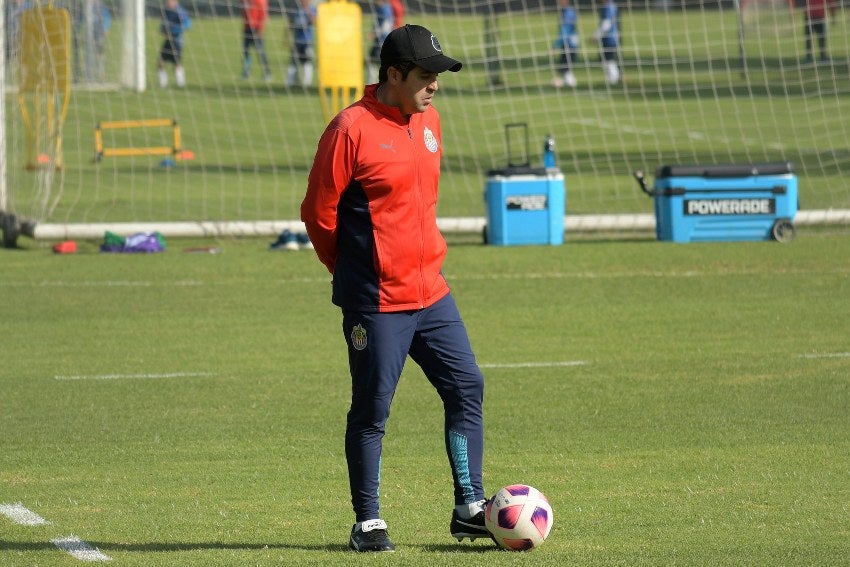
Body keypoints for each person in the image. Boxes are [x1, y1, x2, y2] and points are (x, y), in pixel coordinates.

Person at [300, 24, 489, 553]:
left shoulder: (429, 123)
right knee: (373, 409)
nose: (434, 86)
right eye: (426, 76)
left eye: (438, 77)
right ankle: (368, 522)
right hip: (377, 302)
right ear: (394, 75)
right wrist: (353, 273)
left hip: (433, 294)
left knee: (466, 387)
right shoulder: (349, 130)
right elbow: (318, 214)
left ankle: (469, 507)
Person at [158, 0, 191, 88]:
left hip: (176, 41)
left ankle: (180, 83)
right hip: (167, 40)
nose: (168, 3)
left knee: (176, 63)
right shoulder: (166, 11)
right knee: (160, 62)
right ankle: (163, 83)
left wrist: (175, 30)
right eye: (167, 2)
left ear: (176, 2)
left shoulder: (180, 12)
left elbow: (188, 24)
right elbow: (163, 24)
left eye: (170, 1)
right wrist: (162, 29)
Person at [286, 0, 316, 88]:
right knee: (293, 62)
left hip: (307, 42)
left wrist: (308, 11)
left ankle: (307, 84)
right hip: (297, 42)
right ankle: (290, 83)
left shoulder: (311, 9)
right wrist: (287, 37)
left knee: (307, 62)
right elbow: (291, 24)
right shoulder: (296, 10)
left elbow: (313, 21)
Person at [590, 0, 620, 85]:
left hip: (610, 37)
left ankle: (614, 78)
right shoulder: (611, 5)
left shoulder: (608, 6)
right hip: (610, 37)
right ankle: (614, 78)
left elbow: (606, 24)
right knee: (607, 59)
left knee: (608, 59)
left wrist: (596, 35)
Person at [242, 0, 271, 80]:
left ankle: (267, 73)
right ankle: (246, 72)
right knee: (245, 51)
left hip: (256, 29)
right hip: (247, 28)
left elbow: (263, 15)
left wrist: (261, 30)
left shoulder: (260, 1)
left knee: (261, 52)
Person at [552, 0, 579, 88]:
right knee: (564, 66)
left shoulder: (569, 12)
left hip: (570, 43)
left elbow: (565, 30)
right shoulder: (564, 11)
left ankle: (571, 84)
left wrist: (556, 45)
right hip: (567, 42)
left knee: (566, 67)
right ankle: (568, 84)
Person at [366, 0, 394, 85]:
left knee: (375, 61)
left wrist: (377, 35)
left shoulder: (385, 9)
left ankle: (374, 83)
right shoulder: (381, 8)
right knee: (374, 61)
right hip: (380, 40)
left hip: (381, 41)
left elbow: (386, 26)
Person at [802, 0, 837, 64]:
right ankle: (809, 58)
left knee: (821, 37)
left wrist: (833, 16)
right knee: (809, 38)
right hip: (810, 15)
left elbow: (831, 3)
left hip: (819, 16)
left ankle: (822, 57)